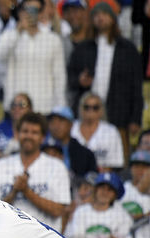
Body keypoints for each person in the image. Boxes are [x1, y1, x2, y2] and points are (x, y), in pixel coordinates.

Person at [67, 0, 143, 154]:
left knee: (118, 155)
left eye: (105, 14)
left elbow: (136, 86)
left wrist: (135, 118)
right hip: (88, 113)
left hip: (119, 114)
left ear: (113, 18)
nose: (100, 18)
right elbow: (70, 77)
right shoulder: (83, 48)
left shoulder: (128, 49)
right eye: (97, 15)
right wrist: (80, 81)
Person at [0, 112, 71, 231]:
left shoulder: (56, 167)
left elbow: (58, 210)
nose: (29, 136)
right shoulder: (0, 166)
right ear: (17, 134)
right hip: (9, 237)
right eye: (25, 131)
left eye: (34, 132)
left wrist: (27, 191)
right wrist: (14, 192)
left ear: (42, 138)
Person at [0, 0, 66, 115]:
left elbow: (59, 77)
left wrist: (60, 108)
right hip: (16, 109)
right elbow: (0, 56)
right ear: (20, 12)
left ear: (41, 14)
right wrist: (18, 31)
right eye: (27, 9)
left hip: (44, 109)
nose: (31, 14)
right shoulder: (8, 36)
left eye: (36, 10)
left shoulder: (53, 40)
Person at [65, 172, 133, 238]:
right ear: (95, 190)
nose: (105, 192)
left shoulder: (121, 214)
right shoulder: (81, 212)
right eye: (102, 188)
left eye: (109, 190)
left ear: (115, 195)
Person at [70, 92, 125, 171]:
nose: (90, 111)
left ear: (101, 111)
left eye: (95, 108)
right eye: (86, 107)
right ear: (81, 109)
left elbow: (116, 164)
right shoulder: (72, 128)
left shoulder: (111, 131)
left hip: (101, 178)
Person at [46, 105, 98, 179]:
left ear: (71, 124)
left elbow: (91, 180)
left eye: (61, 120)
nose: (56, 126)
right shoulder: (42, 150)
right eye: (52, 121)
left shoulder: (85, 154)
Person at [121, 150, 150, 238]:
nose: (140, 170)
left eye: (144, 166)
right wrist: (141, 216)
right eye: (136, 166)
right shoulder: (122, 190)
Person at [0, 92, 33, 157]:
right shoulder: (0, 127)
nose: (17, 108)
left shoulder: (36, 129)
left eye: (22, 104)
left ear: (30, 109)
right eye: (13, 105)